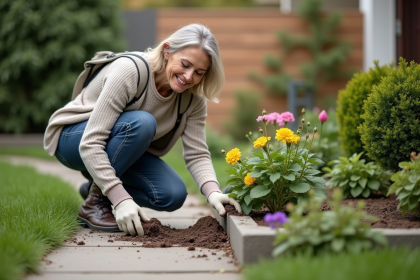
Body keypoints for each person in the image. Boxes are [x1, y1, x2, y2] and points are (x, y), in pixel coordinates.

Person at [43, 23, 242, 236]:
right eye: (185, 64)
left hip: (116, 148)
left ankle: (97, 184)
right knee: (142, 123)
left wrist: (213, 193)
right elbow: (91, 143)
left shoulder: (192, 99)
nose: (188, 77)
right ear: (167, 51)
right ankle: (96, 201)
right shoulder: (130, 71)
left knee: (172, 195)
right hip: (73, 138)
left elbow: (197, 153)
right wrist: (121, 199)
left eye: (199, 72)